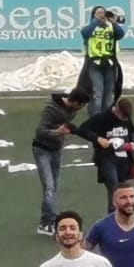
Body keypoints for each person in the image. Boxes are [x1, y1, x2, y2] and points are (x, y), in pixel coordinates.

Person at [32, 87, 91, 237]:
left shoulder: (72, 109)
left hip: (56, 150)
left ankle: (45, 221)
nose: (82, 108)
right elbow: (40, 131)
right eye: (82, 105)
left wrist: (64, 135)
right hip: (42, 150)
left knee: (53, 187)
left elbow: (65, 125)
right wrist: (57, 132)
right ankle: (50, 222)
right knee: (49, 187)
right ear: (75, 102)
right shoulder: (51, 109)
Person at [73, 98, 134, 211]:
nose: (124, 119)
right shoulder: (102, 118)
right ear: (117, 110)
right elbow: (82, 130)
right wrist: (97, 138)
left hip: (125, 158)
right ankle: (113, 215)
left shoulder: (126, 117)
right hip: (107, 157)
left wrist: (133, 142)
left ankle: (125, 214)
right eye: (123, 117)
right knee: (114, 188)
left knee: (127, 189)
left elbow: (132, 130)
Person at [78, 6, 126, 115]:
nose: (101, 15)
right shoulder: (90, 28)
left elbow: (121, 34)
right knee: (97, 92)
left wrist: (113, 22)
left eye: (103, 12)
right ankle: (95, 118)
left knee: (108, 94)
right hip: (94, 63)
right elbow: (85, 33)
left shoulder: (111, 27)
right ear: (93, 16)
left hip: (109, 63)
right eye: (98, 13)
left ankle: (105, 118)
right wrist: (97, 20)